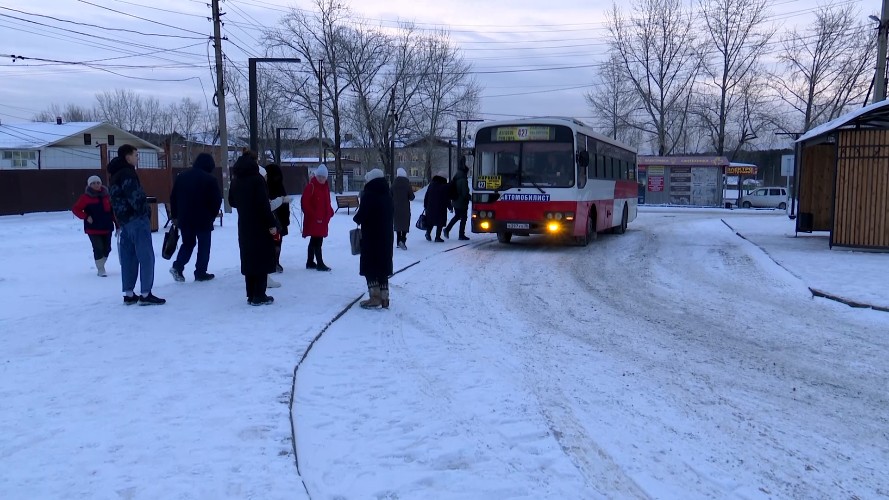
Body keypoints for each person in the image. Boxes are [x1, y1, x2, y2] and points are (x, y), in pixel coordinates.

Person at [107, 144, 165, 305]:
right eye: (136, 155)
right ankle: (146, 294)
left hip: (124, 221)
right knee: (146, 256)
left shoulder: (114, 173)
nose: (137, 158)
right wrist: (145, 211)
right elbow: (135, 197)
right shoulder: (128, 173)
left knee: (129, 257)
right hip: (136, 220)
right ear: (128, 157)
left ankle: (129, 293)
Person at [228, 150, 277, 306]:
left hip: (244, 225)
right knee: (261, 258)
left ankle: (250, 294)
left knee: (249, 258)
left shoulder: (235, 180)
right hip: (260, 225)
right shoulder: (257, 180)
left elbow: (232, 202)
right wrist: (272, 224)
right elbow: (264, 205)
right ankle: (260, 294)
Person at [169, 153, 222, 283]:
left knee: (188, 243)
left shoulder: (182, 177)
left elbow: (173, 197)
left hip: (185, 218)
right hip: (203, 218)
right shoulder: (210, 179)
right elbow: (216, 200)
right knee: (204, 245)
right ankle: (200, 272)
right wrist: (212, 215)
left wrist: (175, 215)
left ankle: (178, 266)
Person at [353, 168, 394, 309]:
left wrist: (356, 218)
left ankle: (374, 297)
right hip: (386, 237)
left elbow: (361, 216)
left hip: (371, 237)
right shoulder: (388, 195)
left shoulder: (369, 195)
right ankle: (384, 298)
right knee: (383, 266)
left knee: (370, 266)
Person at [72, 175, 116, 277]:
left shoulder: (107, 196)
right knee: (98, 247)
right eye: (93, 183)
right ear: (89, 185)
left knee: (107, 249)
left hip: (107, 227)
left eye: (98, 182)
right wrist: (86, 216)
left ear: (101, 183)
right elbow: (76, 209)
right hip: (93, 228)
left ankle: (101, 263)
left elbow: (112, 212)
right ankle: (100, 269)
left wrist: (117, 225)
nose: (96, 185)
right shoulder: (85, 197)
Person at [301, 164, 334, 271]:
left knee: (314, 240)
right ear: (316, 176)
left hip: (322, 219)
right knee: (317, 240)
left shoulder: (325, 188)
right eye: (319, 176)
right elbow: (305, 203)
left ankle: (310, 262)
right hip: (315, 219)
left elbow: (326, 202)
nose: (321, 178)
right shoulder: (311, 186)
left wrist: (330, 212)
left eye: (323, 177)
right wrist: (314, 215)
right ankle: (319, 263)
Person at [264, 163, 291, 274]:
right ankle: (271, 262)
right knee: (272, 242)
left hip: (280, 221)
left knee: (278, 242)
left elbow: (285, 205)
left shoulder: (278, 186)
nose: (276, 178)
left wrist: (286, 219)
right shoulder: (265, 187)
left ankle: (275, 261)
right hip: (270, 220)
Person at [444, 160, 471, 240]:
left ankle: (447, 229)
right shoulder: (463, 180)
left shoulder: (456, 178)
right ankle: (461, 234)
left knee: (457, 216)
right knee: (463, 218)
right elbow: (464, 193)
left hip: (455, 201)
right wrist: (471, 198)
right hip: (461, 202)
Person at [423, 172, 451, 243]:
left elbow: (426, 196)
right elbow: (446, 198)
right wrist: (450, 207)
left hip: (430, 207)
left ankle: (428, 234)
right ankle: (437, 237)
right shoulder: (444, 186)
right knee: (440, 222)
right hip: (441, 207)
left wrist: (425, 206)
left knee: (430, 221)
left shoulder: (431, 185)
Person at [392, 167, 415, 250]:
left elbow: (390, 195)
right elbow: (412, 197)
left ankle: (398, 241)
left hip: (395, 208)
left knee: (398, 224)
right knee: (405, 224)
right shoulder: (407, 184)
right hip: (405, 208)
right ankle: (403, 240)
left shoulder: (393, 184)